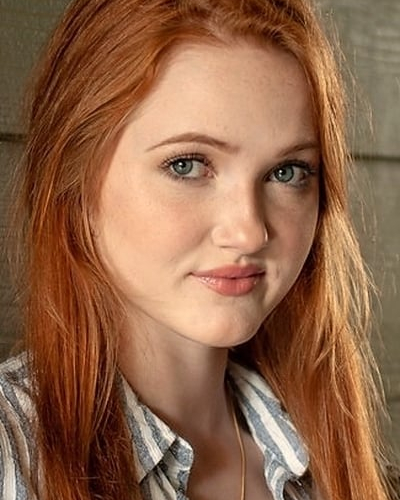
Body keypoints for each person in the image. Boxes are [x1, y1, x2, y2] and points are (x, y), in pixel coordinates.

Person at [0, 0, 397, 499]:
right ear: (75, 177)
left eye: (286, 172)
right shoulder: (12, 453)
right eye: (187, 165)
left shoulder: (329, 458)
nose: (249, 233)